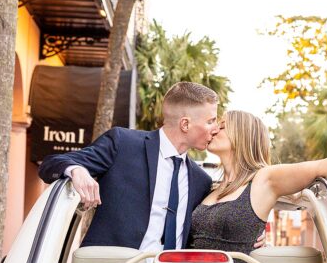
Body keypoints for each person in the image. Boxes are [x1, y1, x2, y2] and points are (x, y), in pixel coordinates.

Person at [189, 110, 327, 258]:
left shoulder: (263, 179)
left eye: (223, 126)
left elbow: (320, 167)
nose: (214, 130)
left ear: (243, 135)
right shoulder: (209, 185)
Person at [37, 82, 220, 251]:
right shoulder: (122, 144)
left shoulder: (201, 180)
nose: (216, 128)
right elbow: (50, 164)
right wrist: (77, 170)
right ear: (185, 124)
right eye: (210, 121)